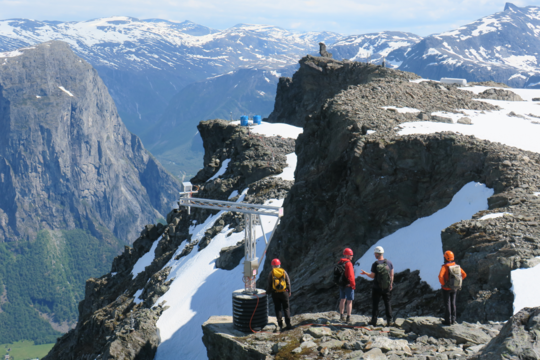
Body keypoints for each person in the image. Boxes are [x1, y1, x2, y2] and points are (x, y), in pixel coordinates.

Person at [360, 246, 394, 326]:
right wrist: (391, 284)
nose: (374, 255)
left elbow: (372, 276)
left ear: (377, 254)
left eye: (375, 254)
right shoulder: (389, 263)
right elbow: (391, 275)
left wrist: (365, 273)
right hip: (386, 287)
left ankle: (374, 321)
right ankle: (390, 321)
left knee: (375, 304)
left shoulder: (375, 264)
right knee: (387, 303)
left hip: (376, 287)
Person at [438, 250, 467, 325]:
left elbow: (440, 276)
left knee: (447, 304)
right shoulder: (456, 266)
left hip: (446, 289)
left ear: (446, 258)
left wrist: (444, 284)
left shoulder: (445, 267)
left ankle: (448, 321)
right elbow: (464, 274)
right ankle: (453, 320)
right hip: (454, 288)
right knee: (453, 303)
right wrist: (456, 283)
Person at [267, 258, 292, 331]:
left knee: (278, 309)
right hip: (284, 293)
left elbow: (269, 284)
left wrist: (267, 292)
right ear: (279, 265)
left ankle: (280, 325)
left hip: (275, 293)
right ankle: (288, 324)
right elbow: (288, 282)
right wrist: (289, 291)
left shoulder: (271, 273)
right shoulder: (284, 272)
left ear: (272, 266)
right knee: (286, 308)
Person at [336, 248, 356, 322]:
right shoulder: (349, 264)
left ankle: (341, 316)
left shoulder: (340, 262)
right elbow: (351, 276)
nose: (352, 256)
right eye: (351, 255)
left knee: (342, 300)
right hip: (348, 285)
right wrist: (353, 285)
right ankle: (348, 317)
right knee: (349, 301)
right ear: (347, 255)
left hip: (341, 284)